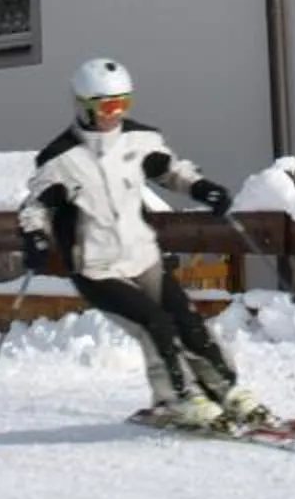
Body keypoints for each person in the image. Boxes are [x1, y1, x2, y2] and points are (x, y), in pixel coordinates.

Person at [17, 57, 273, 431]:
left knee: (188, 320)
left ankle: (227, 391)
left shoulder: (140, 140)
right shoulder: (60, 160)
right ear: (84, 107)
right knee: (155, 323)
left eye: (124, 103)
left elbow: (170, 170)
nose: (115, 114)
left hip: (142, 256)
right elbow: (35, 207)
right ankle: (178, 399)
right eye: (107, 106)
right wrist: (35, 239)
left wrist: (203, 189)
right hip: (96, 267)